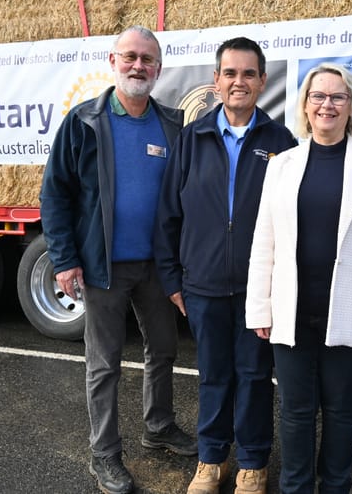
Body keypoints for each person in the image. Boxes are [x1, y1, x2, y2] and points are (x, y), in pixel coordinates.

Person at [40, 26, 197, 494]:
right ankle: (104, 454)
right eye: (130, 57)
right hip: (102, 266)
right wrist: (65, 260)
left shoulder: (173, 124)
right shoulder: (84, 121)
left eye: (147, 60)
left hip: (158, 267)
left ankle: (158, 426)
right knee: (104, 363)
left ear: (159, 69)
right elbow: (56, 194)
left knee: (164, 350)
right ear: (113, 61)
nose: (138, 66)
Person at [246, 62, 352, 493]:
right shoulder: (282, 165)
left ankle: (336, 486)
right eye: (318, 96)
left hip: (350, 314)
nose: (327, 105)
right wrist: (259, 308)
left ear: (351, 103)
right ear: (305, 104)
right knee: (296, 414)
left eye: (337, 96)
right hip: (292, 313)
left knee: (341, 413)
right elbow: (264, 243)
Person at [154, 36, 296, 494]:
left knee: (255, 377)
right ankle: (211, 459)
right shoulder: (191, 139)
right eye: (230, 73)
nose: (239, 82)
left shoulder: (281, 141)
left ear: (262, 81)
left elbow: (294, 219)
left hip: (260, 290)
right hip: (204, 285)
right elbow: (168, 215)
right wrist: (174, 280)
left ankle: (253, 463)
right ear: (215, 81)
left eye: (248, 74)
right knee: (214, 375)